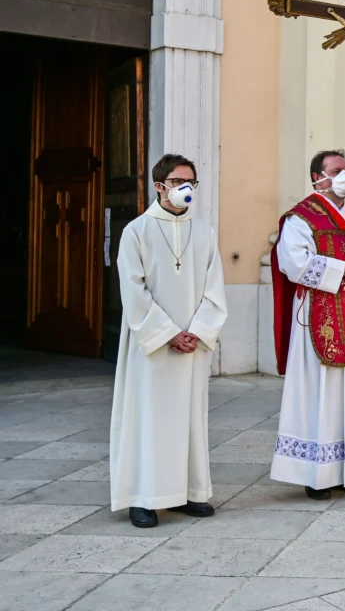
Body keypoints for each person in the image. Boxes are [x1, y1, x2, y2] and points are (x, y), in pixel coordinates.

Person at [110, 154, 227, 528]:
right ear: (160, 186)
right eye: (179, 182)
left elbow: (215, 290)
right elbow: (132, 290)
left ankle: (188, 492)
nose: (186, 188)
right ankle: (144, 497)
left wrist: (199, 331)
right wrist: (168, 333)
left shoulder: (205, 233)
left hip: (192, 345)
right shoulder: (137, 231)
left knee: (190, 419)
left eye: (191, 181)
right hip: (153, 346)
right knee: (150, 418)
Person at [270, 149, 345, 499]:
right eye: (337, 170)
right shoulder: (301, 218)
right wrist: (344, 269)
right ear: (317, 178)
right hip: (318, 320)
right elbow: (292, 263)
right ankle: (317, 473)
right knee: (319, 396)